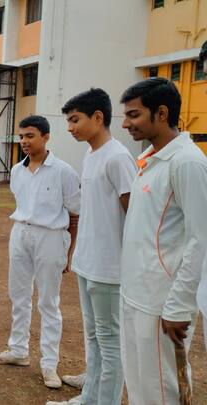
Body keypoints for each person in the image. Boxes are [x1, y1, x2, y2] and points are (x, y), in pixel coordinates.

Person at [119, 78, 207, 404]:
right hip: (135, 294)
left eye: (134, 115)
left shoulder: (187, 163)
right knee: (141, 386)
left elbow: (202, 240)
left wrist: (179, 305)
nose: (126, 123)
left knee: (163, 391)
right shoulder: (153, 160)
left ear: (161, 113)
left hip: (162, 303)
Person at [47, 89, 137, 405]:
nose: (70, 127)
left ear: (98, 118)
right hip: (88, 263)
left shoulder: (118, 157)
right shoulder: (91, 154)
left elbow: (135, 213)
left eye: (75, 120)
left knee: (110, 343)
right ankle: (89, 398)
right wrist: (76, 256)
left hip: (109, 268)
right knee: (95, 338)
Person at [0, 115, 80, 389]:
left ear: (46, 137)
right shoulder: (17, 171)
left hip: (51, 236)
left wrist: (69, 252)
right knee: (18, 294)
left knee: (48, 301)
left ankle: (49, 364)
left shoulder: (64, 171)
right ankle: (18, 350)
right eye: (22, 136)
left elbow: (75, 214)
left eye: (30, 136)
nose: (25, 141)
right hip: (21, 232)